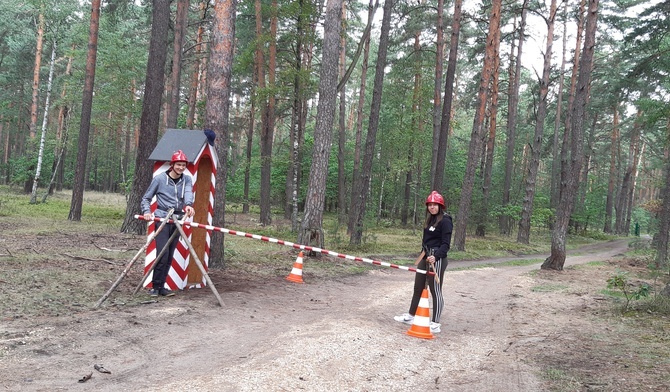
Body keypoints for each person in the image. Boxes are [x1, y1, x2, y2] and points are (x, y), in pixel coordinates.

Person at [394, 190, 453, 333]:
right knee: (418, 287)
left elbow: (446, 244)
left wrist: (437, 256)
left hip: (436, 259)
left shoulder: (446, 220)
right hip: (425, 256)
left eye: (435, 205)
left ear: (440, 206)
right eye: (430, 205)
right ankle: (411, 316)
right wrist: (425, 253)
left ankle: (435, 323)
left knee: (435, 290)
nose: (432, 207)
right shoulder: (430, 220)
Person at [141, 150, 195, 297]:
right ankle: (155, 287)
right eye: (178, 164)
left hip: (178, 220)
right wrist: (146, 211)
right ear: (172, 165)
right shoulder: (159, 179)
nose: (181, 168)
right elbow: (146, 198)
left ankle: (162, 287)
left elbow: (189, 193)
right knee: (162, 254)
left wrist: (189, 204)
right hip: (163, 219)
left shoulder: (187, 180)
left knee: (170, 255)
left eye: (183, 165)